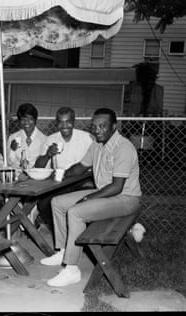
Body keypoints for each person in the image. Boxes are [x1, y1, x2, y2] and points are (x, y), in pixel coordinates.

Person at [40, 107, 142, 287]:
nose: (97, 130)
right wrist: (62, 174)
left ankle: (71, 269)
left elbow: (117, 187)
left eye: (102, 126)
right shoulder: (96, 144)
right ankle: (64, 251)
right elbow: (81, 166)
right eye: (94, 126)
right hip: (106, 192)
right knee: (57, 202)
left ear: (114, 127)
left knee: (76, 212)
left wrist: (89, 198)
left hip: (125, 198)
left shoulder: (124, 147)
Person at [34, 106, 95, 231]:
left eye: (68, 121)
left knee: (85, 202)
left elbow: (92, 164)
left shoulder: (87, 138)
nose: (64, 126)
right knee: (44, 204)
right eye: (61, 122)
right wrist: (48, 155)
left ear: (73, 122)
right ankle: (62, 232)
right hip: (60, 183)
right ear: (56, 124)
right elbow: (38, 167)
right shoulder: (51, 139)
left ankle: (82, 232)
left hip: (82, 180)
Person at [7, 103, 47, 169]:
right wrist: (12, 150)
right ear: (19, 121)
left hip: (36, 176)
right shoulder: (12, 137)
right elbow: (8, 163)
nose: (26, 122)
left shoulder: (44, 139)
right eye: (23, 119)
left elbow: (44, 165)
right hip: (18, 176)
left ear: (35, 120)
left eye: (30, 119)